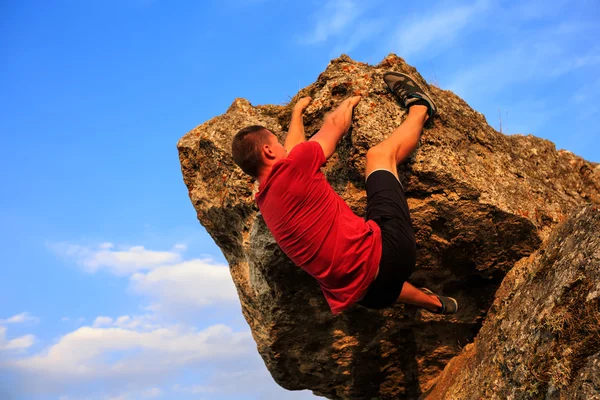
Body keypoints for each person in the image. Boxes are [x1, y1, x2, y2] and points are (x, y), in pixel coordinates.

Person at [231, 72, 458, 315]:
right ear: (268, 151)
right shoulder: (294, 167)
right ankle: (421, 107)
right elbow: (334, 127)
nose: (282, 146)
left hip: (368, 297)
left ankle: (435, 304)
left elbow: (293, 150)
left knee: (366, 271)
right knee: (379, 156)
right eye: (277, 142)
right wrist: (347, 102)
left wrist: (297, 113)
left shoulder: (266, 202)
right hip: (394, 255)